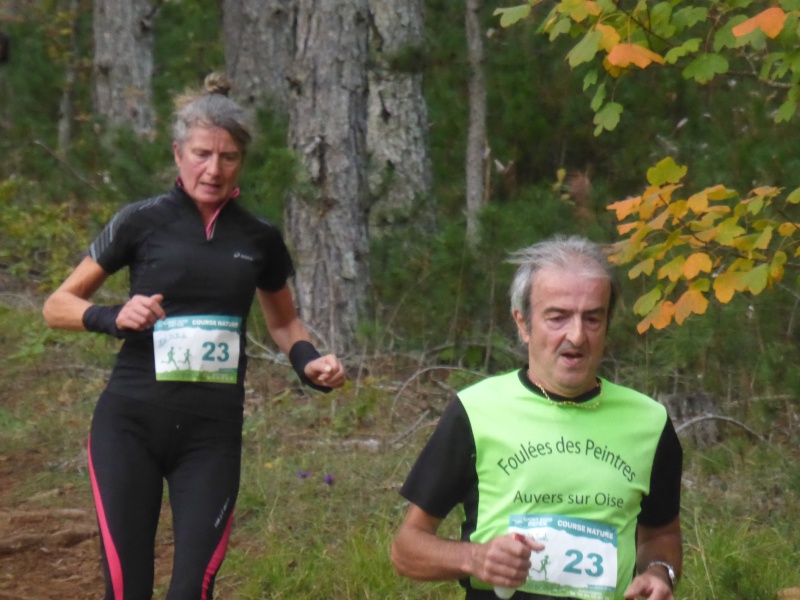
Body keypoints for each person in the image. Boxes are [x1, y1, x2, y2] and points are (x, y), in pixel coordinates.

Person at [42, 73, 346, 600]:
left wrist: (310, 363)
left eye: (228, 157)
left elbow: (283, 323)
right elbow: (57, 305)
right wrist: (113, 315)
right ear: (178, 153)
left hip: (211, 435)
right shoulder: (141, 221)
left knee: (194, 588)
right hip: (130, 424)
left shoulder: (259, 237)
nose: (213, 169)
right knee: (127, 587)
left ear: (241, 162)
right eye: (202, 154)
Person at [391, 235, 682, 600]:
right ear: (523, 324)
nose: (577, 336)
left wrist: (659, 573)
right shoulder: (476, 411)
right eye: (557, 317)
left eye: (592, 318)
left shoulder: (649, 423)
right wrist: (474, 558)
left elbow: (661, 535)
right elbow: (406, 549)